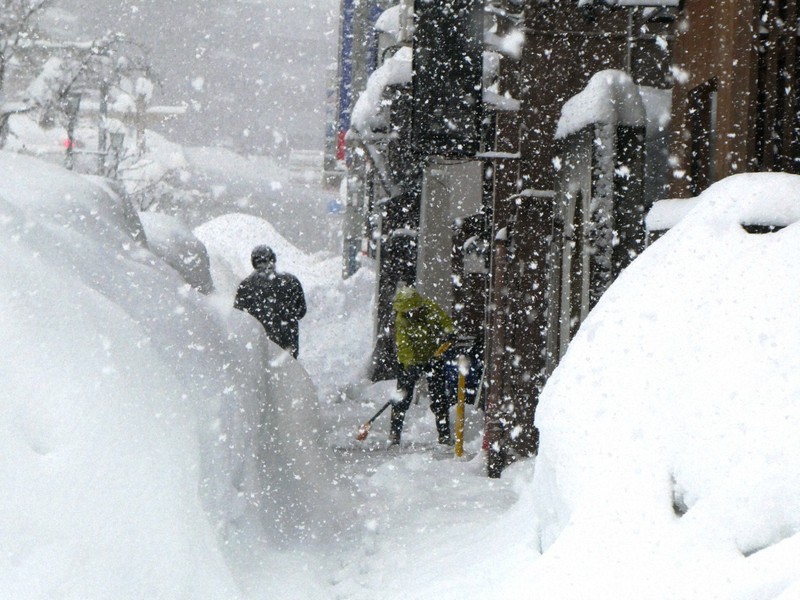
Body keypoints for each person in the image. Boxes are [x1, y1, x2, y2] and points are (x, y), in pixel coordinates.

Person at [389, 285, 456, 445]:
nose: (410, 314)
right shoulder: (401, 319)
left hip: (434, 356)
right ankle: (395, 433)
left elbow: (445, 322)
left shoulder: (430, 309)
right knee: (402, 397)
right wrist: (411, 366)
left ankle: (444, 434)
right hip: (409, 363)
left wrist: (449, 332)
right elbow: (404, 346)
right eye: (406, 312)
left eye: (412, 310)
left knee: (439, 397)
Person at [234, 245, 306, 358]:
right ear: (273, 259)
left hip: (260, 343)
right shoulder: (290, 281)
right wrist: (286, 317)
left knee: (265, 372)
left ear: (253, 263)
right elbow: (301, 310)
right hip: (287, 341)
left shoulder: (246, 286)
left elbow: (238, 316)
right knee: (289, 371)